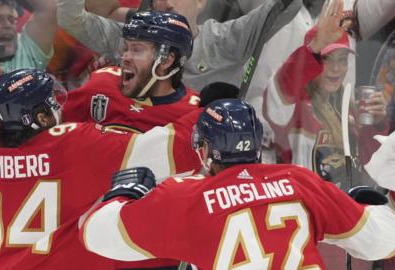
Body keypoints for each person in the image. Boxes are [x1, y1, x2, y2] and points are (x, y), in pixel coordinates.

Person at [0, 68, 205, 269]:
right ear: (41, 116)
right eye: (51, 101)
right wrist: (211, 113)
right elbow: (170, 150)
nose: (59, 105)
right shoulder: (76, 144)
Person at [80, 98, 395, 270]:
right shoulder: (299, 181)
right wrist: (372, 206)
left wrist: (122, 194)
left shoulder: (182, 195)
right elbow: (381, 242)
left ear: (203, 150)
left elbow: (97, 237)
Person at [263, 0, 388, 190]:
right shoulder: (293, 104)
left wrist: (376, 126)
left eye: (343, 60)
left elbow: (369, 172)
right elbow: (279, 91)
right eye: (326, 59)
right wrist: (314, 47)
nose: (336, 69)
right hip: (306, 209)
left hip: (344, 208)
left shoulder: (348, 108)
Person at [57, 0, 302, 91]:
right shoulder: (130, 39)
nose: (165, 3)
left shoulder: (226, 41)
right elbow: (69, 18)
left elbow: (283, 8)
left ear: (200, 3)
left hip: (203, 163)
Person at [62, 11, 200, 133]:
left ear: (165, 61)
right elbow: (49, 122)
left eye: (137, 49)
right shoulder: (101, 83)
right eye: (126, 48)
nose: (125, 57)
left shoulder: (192, 116)